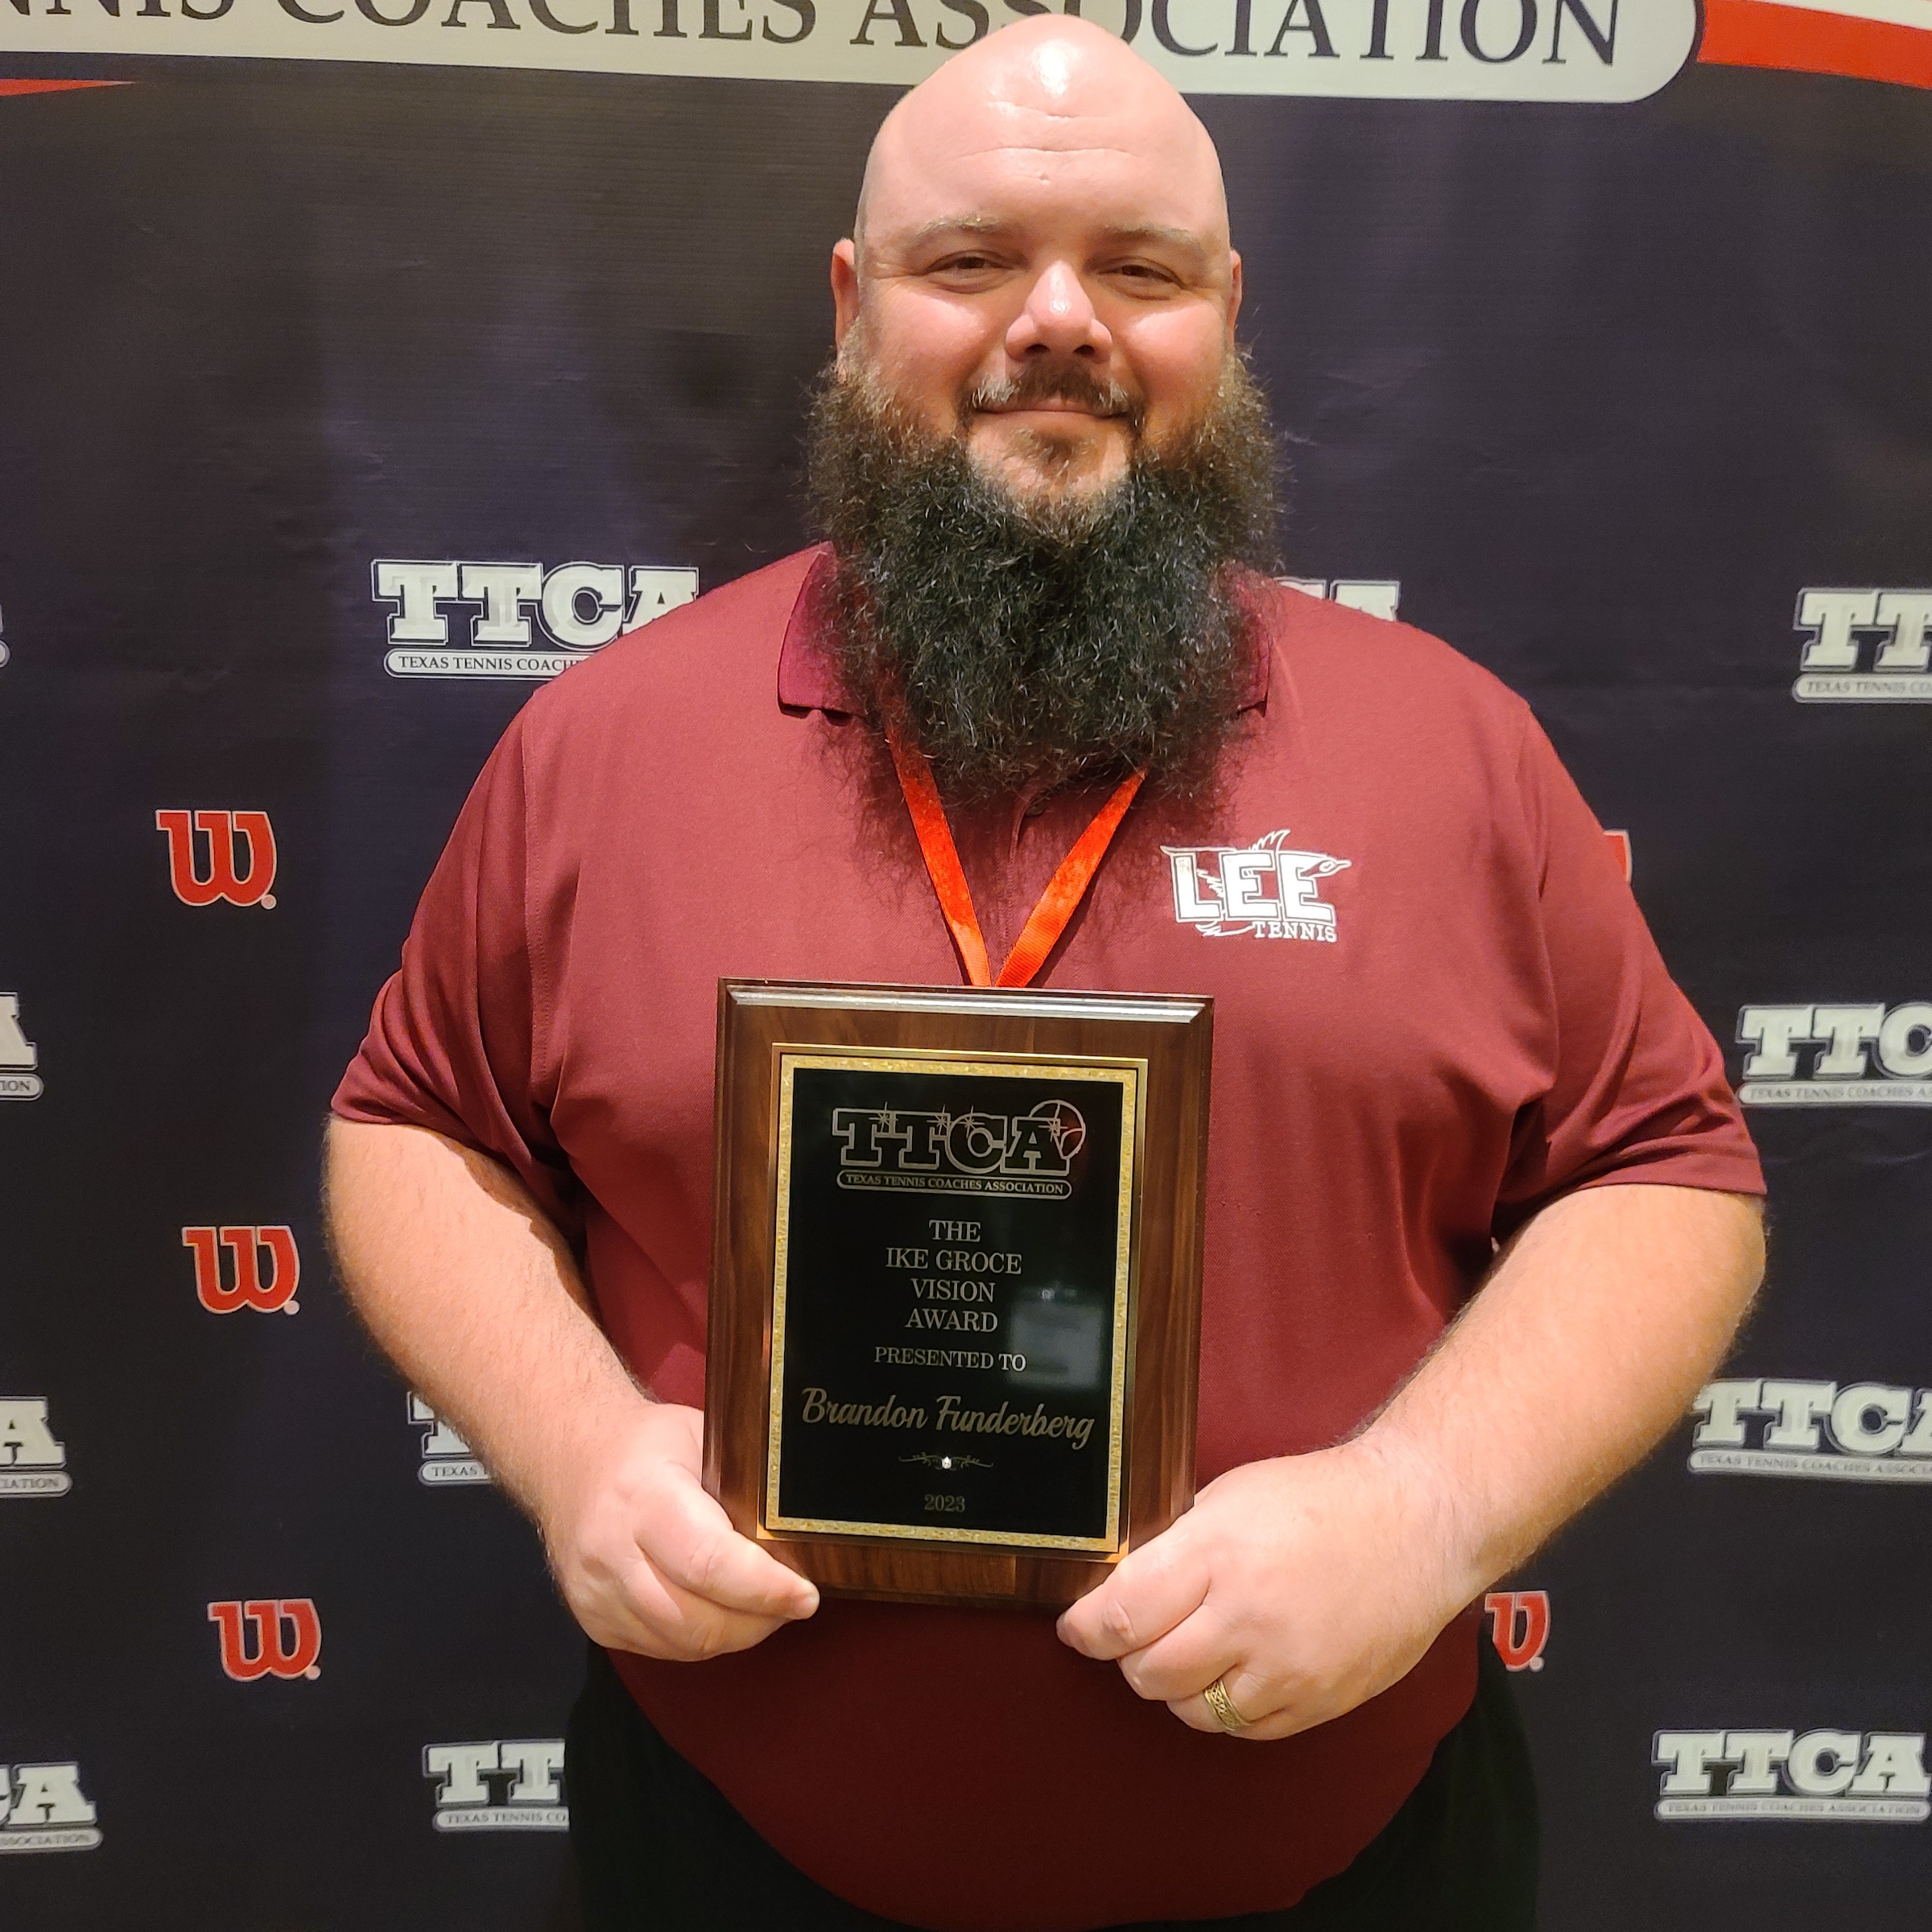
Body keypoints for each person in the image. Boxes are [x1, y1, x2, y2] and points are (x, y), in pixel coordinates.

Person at [325, 18, 1765, 1930]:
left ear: (1227, 315)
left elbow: (1671, 1172)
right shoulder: (608, 743)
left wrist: (1423, 1516)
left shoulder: (1454, 746)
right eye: (973, 260)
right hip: (735, 1849)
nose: (1060, 321)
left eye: (1140, 270)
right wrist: (575, 1446)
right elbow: (413, 1126)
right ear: (854, 303)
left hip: (1348, 1857)